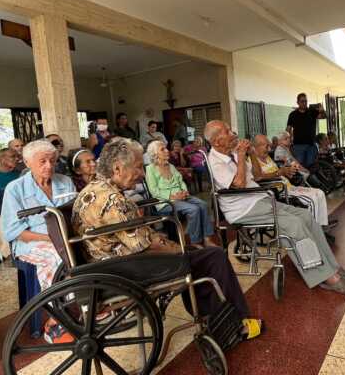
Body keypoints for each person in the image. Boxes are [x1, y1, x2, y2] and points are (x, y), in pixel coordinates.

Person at [72, 138, 263, 339]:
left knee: (198, 255)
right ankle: (235, 324)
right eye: (138, 167)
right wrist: (178, 248)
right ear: (117, 168)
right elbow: (144, 245)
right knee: (213, 256)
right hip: (124, 267)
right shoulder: (111, 199)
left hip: (110, 261)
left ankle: (211, 317)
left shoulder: (94, 189)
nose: (142, 174)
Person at [205, 120, 345, 294]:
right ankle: (325, 276)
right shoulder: (215, 161)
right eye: (228, 131)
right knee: (293, 224)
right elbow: (239, 184)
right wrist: (241, 155)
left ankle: (333, 267)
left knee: (306, 216)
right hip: (243, 209)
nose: (233, 133)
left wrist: (251, 154)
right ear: (217, 141)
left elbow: (256, 175)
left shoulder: (234, 153)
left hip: (260, 200)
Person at [1, 140, 76, 296]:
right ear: (28, 163)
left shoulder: (65, 181)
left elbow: (75, 213)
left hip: (66, 236)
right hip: (33, 241)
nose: (49, 166)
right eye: (42, 161)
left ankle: (91, 299)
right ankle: (64, 308)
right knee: (59, 257)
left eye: (52, 161)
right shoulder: (15, 189)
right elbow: (15, 231)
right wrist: (52, 238)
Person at [146, 140, 218, 247]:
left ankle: (207, 238)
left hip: (181, 196)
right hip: (165, 201)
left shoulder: (170, 166)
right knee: (194, 209)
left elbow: (181, 181)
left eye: (166, 148)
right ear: (155, 154)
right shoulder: (150, 169)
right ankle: (195, 241)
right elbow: (154, 191)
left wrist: (185, 191)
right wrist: (172, 196)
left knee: (203, 205)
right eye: (163, 149)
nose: (167, 150)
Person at [251, 134, 333, 228]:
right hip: (280, 192)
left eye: (269, 146)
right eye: (266, 146)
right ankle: (315, 230)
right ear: (256, 147)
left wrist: (286, 171)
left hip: (289, 187)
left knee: (320, 193)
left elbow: (281, 169)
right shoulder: (253, 162)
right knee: (312, 200)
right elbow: (258, 177)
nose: (269, 149)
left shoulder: (267, 158)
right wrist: (280, 173)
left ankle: (322, 225)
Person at [286, 93, 326, 169]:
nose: (304, 103)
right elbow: (288, 129)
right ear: (297, 102)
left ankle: (310, 180)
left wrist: (322, 110)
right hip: (298, 146)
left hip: (311, 145)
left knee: (311, 166)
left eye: (306, 101)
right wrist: (288, 141)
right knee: (299, 166)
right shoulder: (293, 114)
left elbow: (323, 116)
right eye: (302, 101)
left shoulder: (312, 112)